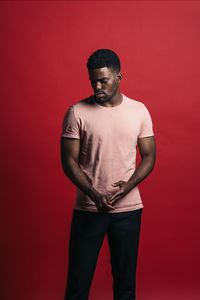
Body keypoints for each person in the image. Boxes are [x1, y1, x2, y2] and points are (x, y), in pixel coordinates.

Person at [60, 49, 156, 300]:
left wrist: (127, 186)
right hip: (88, 210)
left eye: (103, 80)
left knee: (125, 285)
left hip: (128, 210)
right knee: (78, 284)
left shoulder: (139, 111)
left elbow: (149, 157)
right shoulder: (77, 111)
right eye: (93, 81)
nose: (97, 86)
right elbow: (68, 161)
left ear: (119, 76)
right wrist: (93, 194)